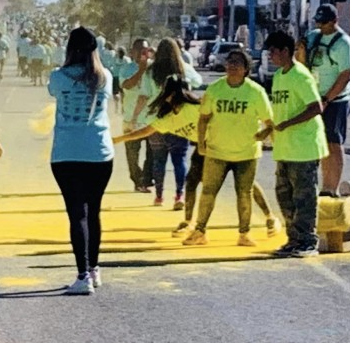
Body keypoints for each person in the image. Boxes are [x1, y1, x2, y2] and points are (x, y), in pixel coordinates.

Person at [114, 75, 281, 239]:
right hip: (206, 149)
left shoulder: (194, 109)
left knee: (245, 186)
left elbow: (219, 117)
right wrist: (118, 139)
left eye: (168, 94)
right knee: (194, 181)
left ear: (171, 95)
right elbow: (145, 131)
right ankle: (191, 223)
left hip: (220, 145)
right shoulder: (170, 119)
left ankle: (269, 218)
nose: (166, 98)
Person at [48, 27, 114, 295]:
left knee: (77, 214)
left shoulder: (58, 77)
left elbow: (52, 92)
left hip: (67, 152)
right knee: (94, 211)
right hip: (99, 152)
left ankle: (82, 275)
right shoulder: (105, 77)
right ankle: (95, 269)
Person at [184, 50, 274, 247]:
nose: (233, 66)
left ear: (246, 69)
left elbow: (269, 122)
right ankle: (199, 231)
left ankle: (244, 233)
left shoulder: (255, 91)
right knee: (208, 191)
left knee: (244, 193)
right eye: (230, 62)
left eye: (238, 63)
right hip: (217, 151)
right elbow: (203, 119)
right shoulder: (215, 89)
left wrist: (264, 135)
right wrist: (201, 143)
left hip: (246, 153)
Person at [263, 31, 329, 258]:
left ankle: (308, 242)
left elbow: (316, 107)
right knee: (284, 195)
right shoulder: (280, 76)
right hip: (285, 147)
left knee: (304, 197)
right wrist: (269, 129)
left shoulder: (301, 76)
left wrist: (288, 124)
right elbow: (280, 110)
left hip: (304, 147)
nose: (270, 56)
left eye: (273, 51)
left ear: (285, 51)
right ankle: (294, 240)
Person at [135, 38, 203, 208]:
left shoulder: (151, 71)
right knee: (179, 160)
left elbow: (143, 96)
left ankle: (159, 196)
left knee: (158, 161)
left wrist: (134, 118)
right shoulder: (183, 69)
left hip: (156, 121)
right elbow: (199, 82)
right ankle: (179, 195)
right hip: (180, 121)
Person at [301, 4, 350, 197]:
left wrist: (327, 99)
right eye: (318, 22)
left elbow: (345, 74)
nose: (321, 26)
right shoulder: (313, 37)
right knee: (318, 142)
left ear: (334, 21)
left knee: (333, 142)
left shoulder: (344, 43)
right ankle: (320, 185)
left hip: (336, 100)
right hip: (313, 97)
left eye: (325, 22)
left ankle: (331, 188)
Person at [119, 39, 151, 192]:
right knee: (132, 154)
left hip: (151, 119)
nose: (142, 53)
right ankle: (137, 180)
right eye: (139, 50)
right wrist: (141, 71)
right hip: (131, 119)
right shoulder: (127, 68)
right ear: (132, 52)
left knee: (153, 154)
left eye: (145, 50)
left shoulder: (153, 69)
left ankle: (145, 179)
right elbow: (126, 85)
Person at [110, 47, 131, 115]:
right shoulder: (127, 59)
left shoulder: (114, 58)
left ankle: (116, 108)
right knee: (123, 94)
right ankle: (123, 108)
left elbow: (111, 65)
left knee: (115, 93)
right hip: (124, 78)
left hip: (116, 77)